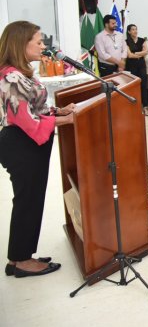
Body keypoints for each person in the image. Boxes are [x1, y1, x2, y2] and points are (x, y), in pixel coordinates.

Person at [0, 21, 75, 278]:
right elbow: (26, 121)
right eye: (39, 42)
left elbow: (35, 110)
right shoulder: (11, 76)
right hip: (21, 144)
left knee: (31, 199)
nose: (44, 47)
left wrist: (58, 111)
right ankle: (20, 260)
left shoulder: (20, 74)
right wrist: (64, 120)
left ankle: (21, 256)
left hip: (27, 143)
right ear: (21, 44)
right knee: (27, 201)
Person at [124, 24, 148, 110]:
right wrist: (140, 54)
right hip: (131, 66)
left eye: (136, 29)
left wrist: (136, 53)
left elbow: (146, 52)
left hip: (141, 65)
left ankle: (145, 105)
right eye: (133, 29)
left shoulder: (142, 40)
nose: (135, 31)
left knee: (143, 85)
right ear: (129, 31)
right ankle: (135, 105)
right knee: (133, 85)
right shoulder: (126, 42)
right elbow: (129, 55)